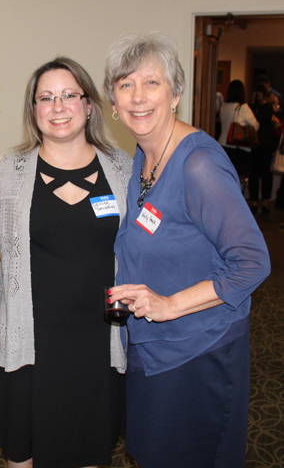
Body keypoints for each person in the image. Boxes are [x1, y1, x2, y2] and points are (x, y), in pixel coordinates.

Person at [104, 32, 270, 468]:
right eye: (126, 85)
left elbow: (252, 262)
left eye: (152, 83)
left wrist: (170, 304)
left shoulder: (197, 163)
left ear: (175, 94)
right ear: (113, 103)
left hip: (198, 350)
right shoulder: (145, 156)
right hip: (154, 347)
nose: (138, 97)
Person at [0, 57, 132, 468]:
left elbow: (141, 247)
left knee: (89, 446)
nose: (58, 106)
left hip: (97, 338)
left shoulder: (122, 169)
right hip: (29, 336)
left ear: (89, 106)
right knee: (22, 449)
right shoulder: (9, 173)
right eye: (46, 98)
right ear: (34, 111)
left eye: (69, 95)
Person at [249, 83, 281, 214]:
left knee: (260, 174)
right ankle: (261, 201)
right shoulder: (258, 107)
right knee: (261, 174)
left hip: (260, 143)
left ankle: (259, 201)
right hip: (262, 144)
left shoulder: (258, 107)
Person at [218, 79, 259, 178]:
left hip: (223, 145)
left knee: (226, 177)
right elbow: (256, 126)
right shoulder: (243, 108)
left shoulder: (224, 106)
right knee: (239, 177)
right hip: (239, 147)